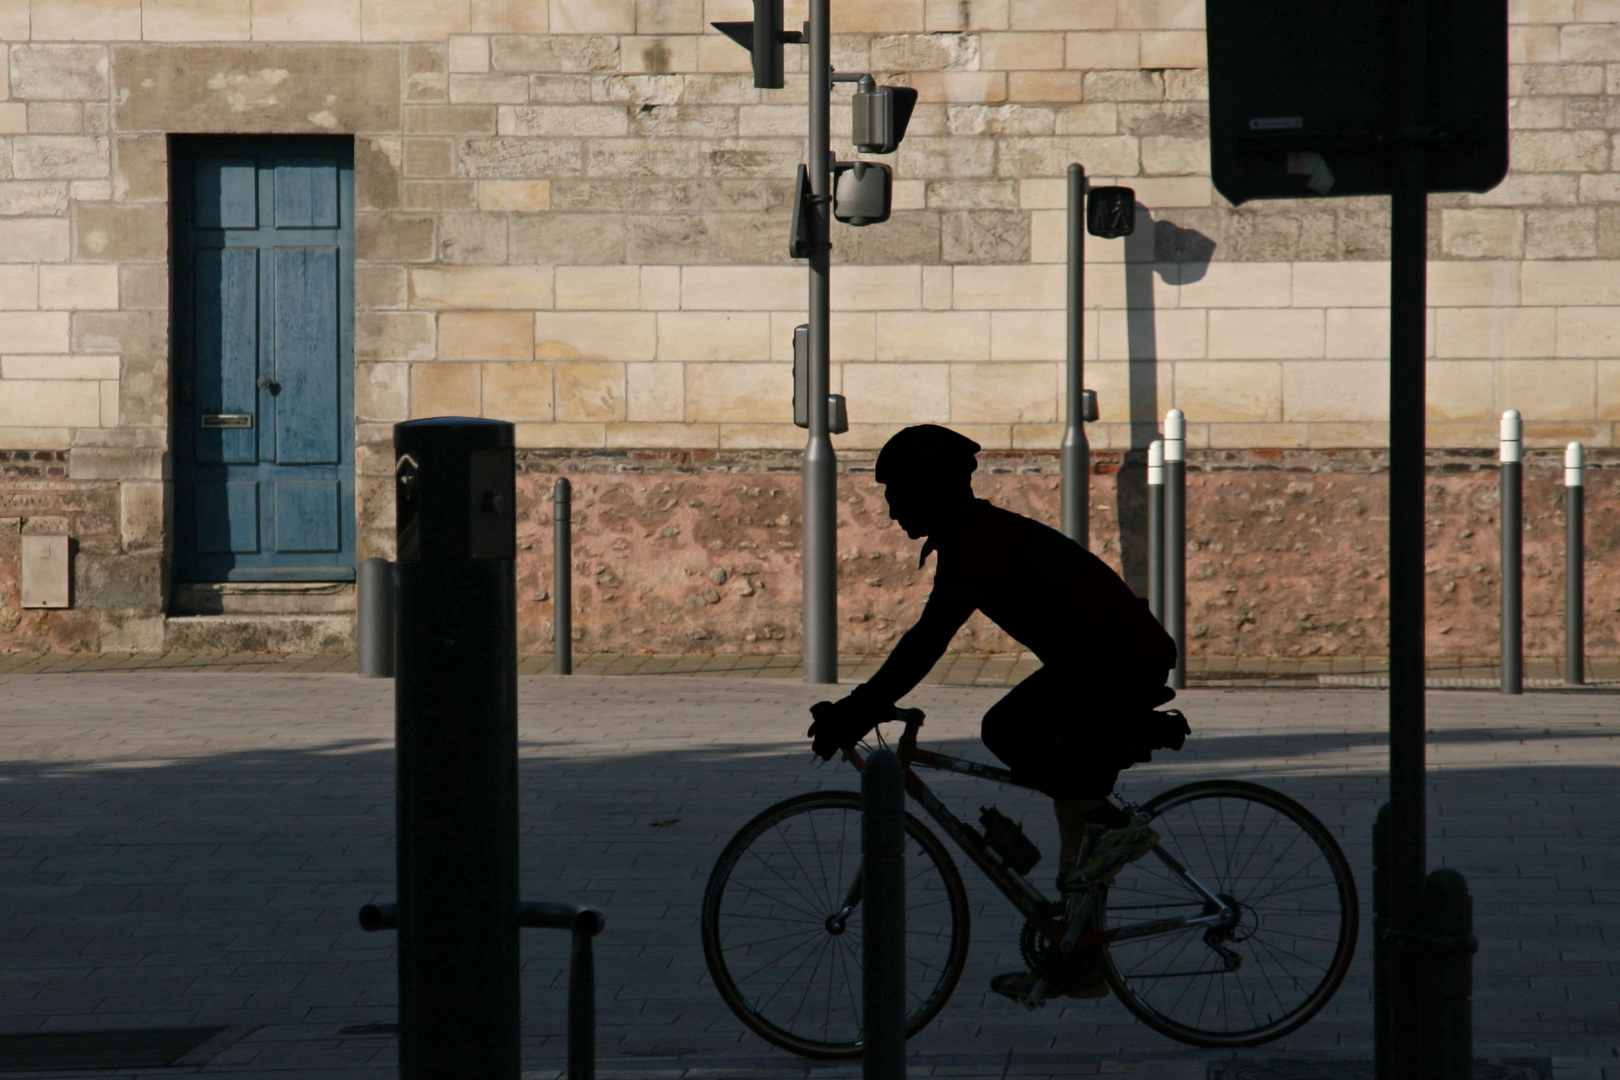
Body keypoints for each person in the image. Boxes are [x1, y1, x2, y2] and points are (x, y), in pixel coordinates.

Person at [807, 424, 1186, 1003]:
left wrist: (857, 712)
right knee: (1072, 815)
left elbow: (926, 642)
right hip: (1102, 659)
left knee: (1006, 727)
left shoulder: (981, 543)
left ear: (933, 491)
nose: (889, 512)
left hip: (1117, 659)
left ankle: (1118, 829)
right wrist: (861, 707)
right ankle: (1078, 959)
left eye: (897, 496)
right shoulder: (972, 537)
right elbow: (924, 642)